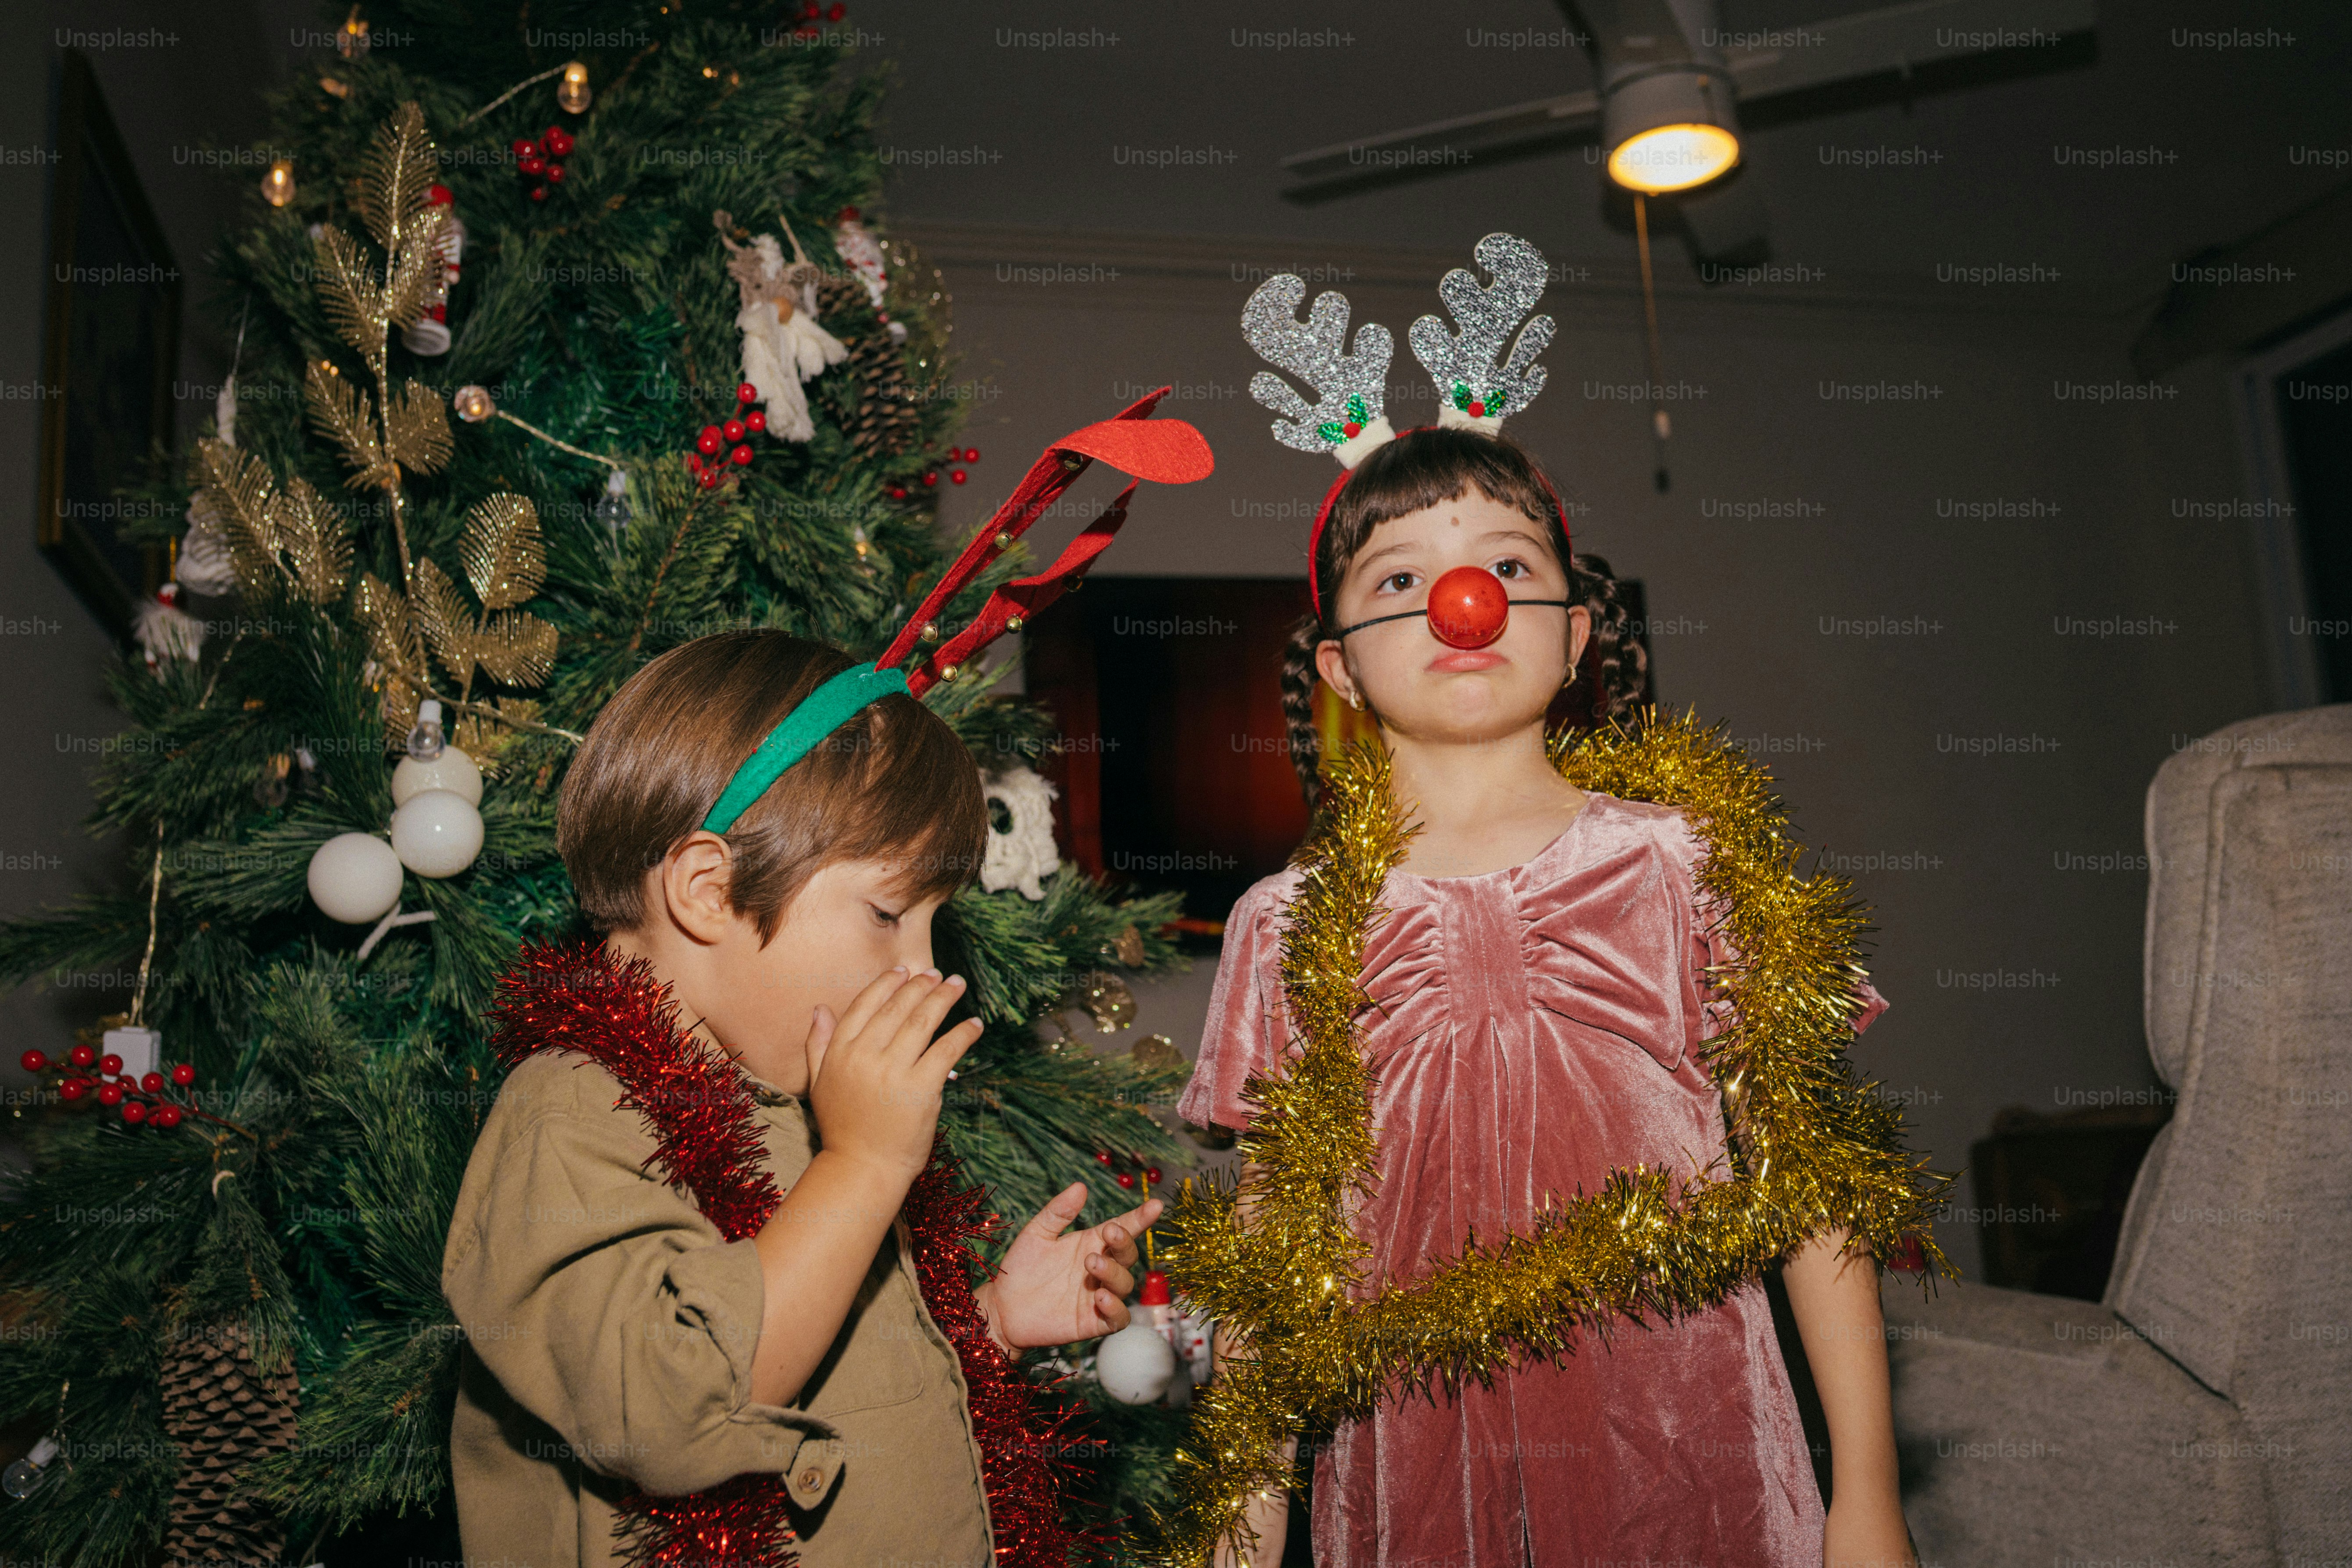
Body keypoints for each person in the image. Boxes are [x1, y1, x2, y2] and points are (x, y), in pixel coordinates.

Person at [1182, 423, 1921, 1568]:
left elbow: (1816, 1192)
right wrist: (1232, 1545)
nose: (1461, 598)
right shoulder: (1281, 925)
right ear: (1339, 663)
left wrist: (1865, 1494)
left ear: (1572, 634)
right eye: (1399, 576)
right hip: (1413, 1496)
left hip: (1694, 1476)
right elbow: (1270, 1269)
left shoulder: (1693, 864)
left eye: (1508, 564)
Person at [443, 630, 1162, 1568]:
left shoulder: (795, 1105)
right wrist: (862, 1166)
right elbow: (666, 1412)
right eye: (885, 914)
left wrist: (988, 1324)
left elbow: (830, 1368)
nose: (924, 971)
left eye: (933, 926)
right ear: (708, 890)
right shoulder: (573, 1110)